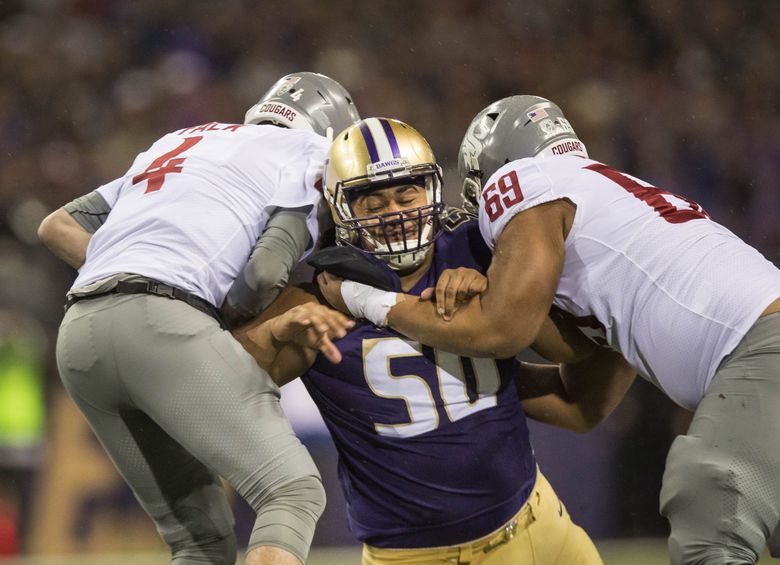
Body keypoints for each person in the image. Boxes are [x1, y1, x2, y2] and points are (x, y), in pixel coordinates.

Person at [318, 96, 780, 565]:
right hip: (760, 338)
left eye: (407, 194)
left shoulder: (525, 183)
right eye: (375, 201)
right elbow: (583, 403)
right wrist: (464, 372)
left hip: (758, 348)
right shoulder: (608, 206)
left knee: (710, 514)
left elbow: (503, 331)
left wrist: (368, 300)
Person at [237, 117, 612, 564]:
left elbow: (575, 349)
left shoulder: (478, 248)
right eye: (372, 203)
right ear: (341, 212)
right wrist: (274, 332)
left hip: (538, 523)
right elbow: (223, 384)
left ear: (432, 189)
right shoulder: (318, 293)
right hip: (413, 557)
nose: (394, 214)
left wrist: (497, 297)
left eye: (405, 194)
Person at [37, 72, 360, 565]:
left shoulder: (183, 139)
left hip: (79, 333)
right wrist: (200, 316)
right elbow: (265, 273)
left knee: (200, 541)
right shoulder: (309, 155)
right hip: (165, 324)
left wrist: (127, 271)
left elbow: (56, 225)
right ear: (333, 132)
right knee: (291, 491)